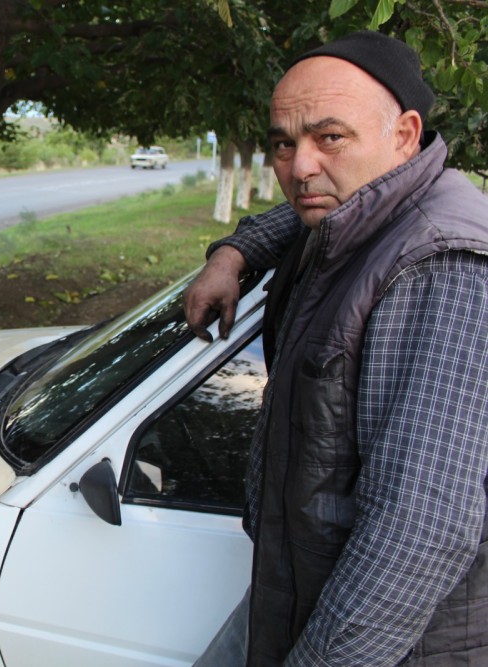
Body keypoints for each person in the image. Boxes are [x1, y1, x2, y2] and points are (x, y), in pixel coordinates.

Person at [186, 32, 488, 665]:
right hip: (303, 590)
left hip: (384, 638)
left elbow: (419, 530)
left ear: (404, 135)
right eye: (283, 144)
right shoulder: (371, 204)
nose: (300, 168)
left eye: (330, 137)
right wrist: (235, 252)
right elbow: (312, 209)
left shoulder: (440, 267)